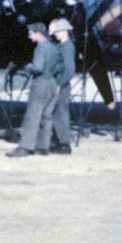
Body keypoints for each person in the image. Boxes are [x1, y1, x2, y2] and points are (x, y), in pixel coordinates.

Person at [7, 22, 62, 157]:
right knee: (47, 116)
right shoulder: (54, 48)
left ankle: (25, 147)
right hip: (52, 83)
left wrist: (25, 66)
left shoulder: (40, 48)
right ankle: (43, 147)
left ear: (38, 33)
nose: (29, 37)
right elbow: (60, 66)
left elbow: (37, 68)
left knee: (32, 115)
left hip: (41, 83)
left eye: (31, 34)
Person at [48, 17, 76, 154]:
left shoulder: (67, 47)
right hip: (59, 82)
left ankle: (64, 144)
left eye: (58, 31)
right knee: (57, 112)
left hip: (61, 83)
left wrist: (59, 84)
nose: (55, 34)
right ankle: (58, 141)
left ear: (65, 31)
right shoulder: (63, 46)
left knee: (61, 113)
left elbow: (70, 69)